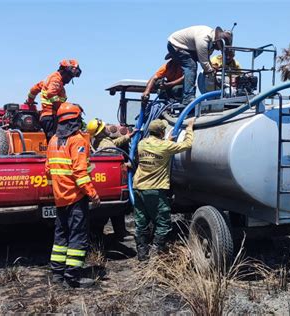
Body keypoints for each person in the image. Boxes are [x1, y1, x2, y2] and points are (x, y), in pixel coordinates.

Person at [46, 102, 100, 288]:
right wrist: (92, 194)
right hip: (76, 198)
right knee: (78, 237)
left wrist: (58, 189)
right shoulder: (77, 140)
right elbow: (79, 173)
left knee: (61, 237)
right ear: (76, 119)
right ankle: (72, 278)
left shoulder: (53, 140)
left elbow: (48, 170)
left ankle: (57, 274)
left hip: (60, 198)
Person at [133, 118, 195, 261]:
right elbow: (187, 144)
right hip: (155, 190)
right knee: (163, 223)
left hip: (138, 188)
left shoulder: (142, 144)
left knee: (141, 223)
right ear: (161, 132)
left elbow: (158, 146)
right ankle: (156, 254)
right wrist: (190, 128)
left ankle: (142, 257)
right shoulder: (165, 146)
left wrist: (167, 140)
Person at [87, 118, 136, 242]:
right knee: (115, 210)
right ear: (101, 131)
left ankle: (98, 235)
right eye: (104, 128)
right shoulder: (106, 144)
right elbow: (112, 152)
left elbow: (114, 144)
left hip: (100, 184)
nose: (107, 128)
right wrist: (126, 164)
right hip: (110, 181)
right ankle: (117, 233)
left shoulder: (99, 141)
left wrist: (128, 136)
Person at [167, 25, 232, 106]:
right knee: (191, 66)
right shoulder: (203, 39)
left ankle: (188, 95)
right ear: (217, 42)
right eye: (219, 48)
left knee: (193, 65)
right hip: (176, 44)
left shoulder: (211, 41)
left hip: (189, 47)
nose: (218, 50)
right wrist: (211, 71)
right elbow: (204, 63)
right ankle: (188, 97)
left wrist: (211, 66)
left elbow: (206, 58)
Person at [26, 59, 82, 141]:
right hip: (51, 117)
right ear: (63, 71)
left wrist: (29, 101)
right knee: (55, 142)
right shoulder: (56, 80)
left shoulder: (49, 79)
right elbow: (51, 94)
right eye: (69, 76)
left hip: (48, 117)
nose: (69, 79)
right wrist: (63, 109)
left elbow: (34, 89)